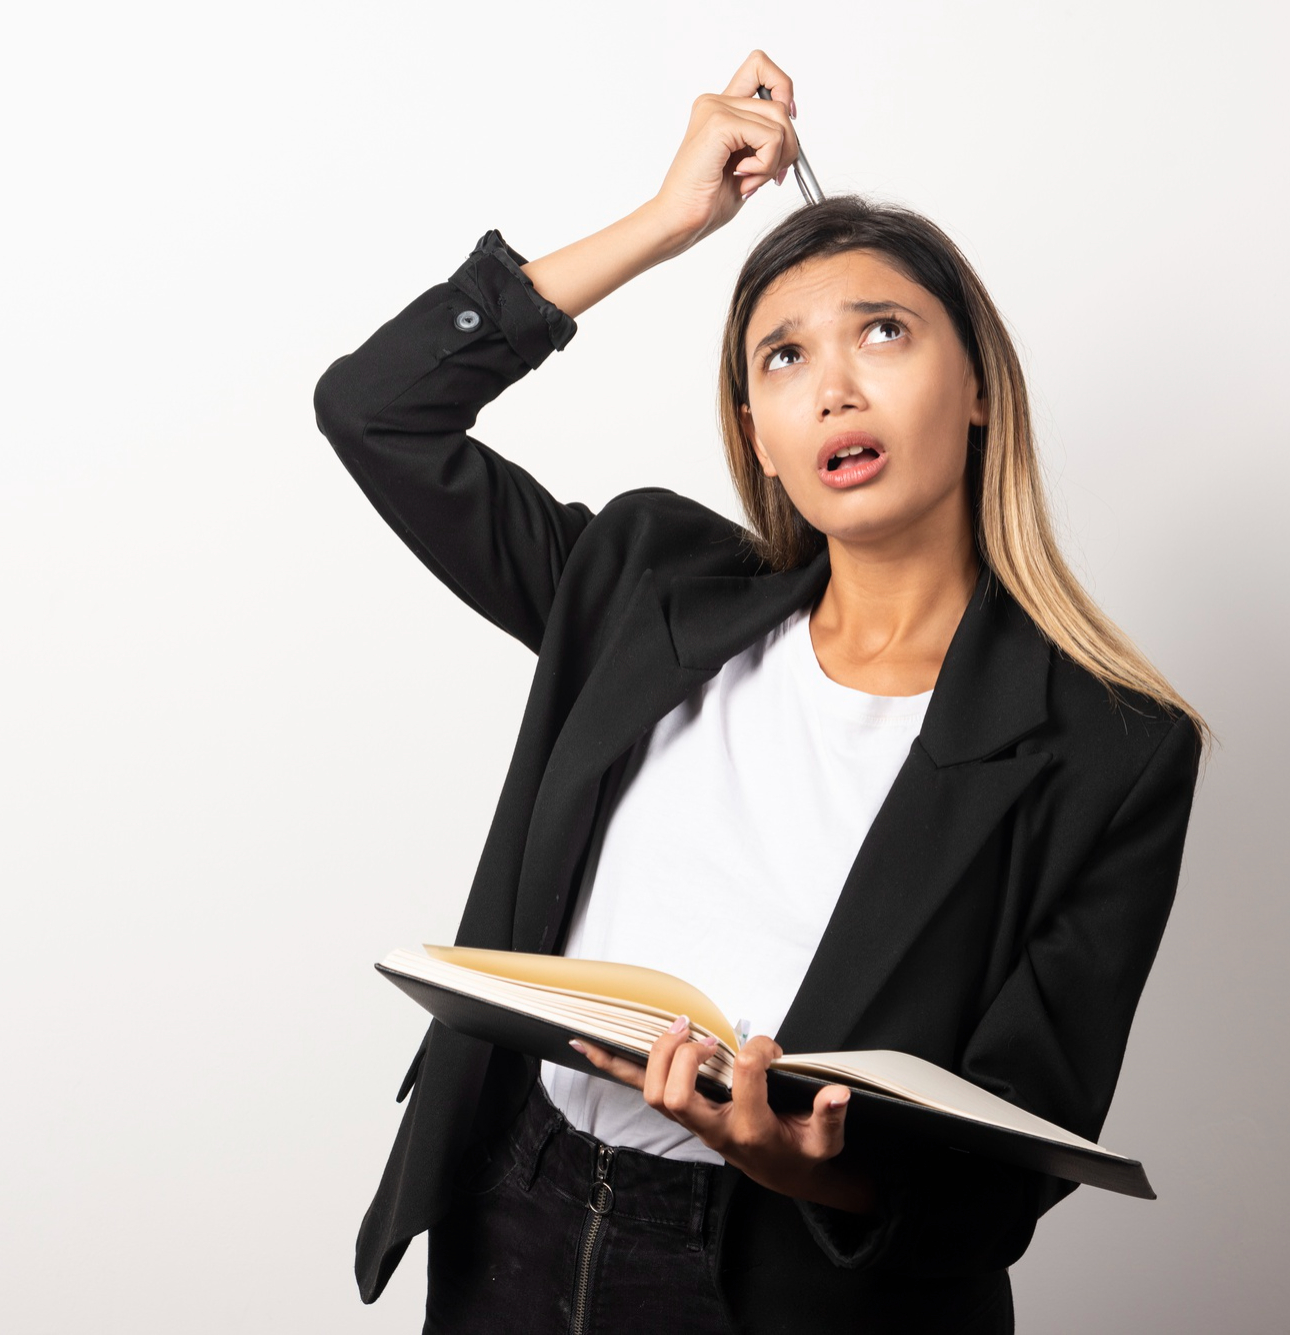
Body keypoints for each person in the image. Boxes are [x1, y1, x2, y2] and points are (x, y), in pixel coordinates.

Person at [313, 50, 1204, 1335]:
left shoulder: (1110, 750)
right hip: (513, 1218)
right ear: (759, 439)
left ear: (976, 389)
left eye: (881, 332)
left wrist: (804, 1167)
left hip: (786, 1290)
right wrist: (666, 221)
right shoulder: (643, 584)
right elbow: (376, 411)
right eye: (782, 357)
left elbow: (1014, 1157)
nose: (832, 386)